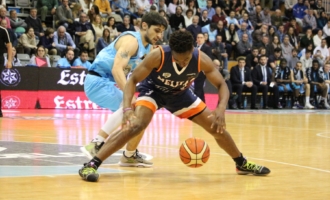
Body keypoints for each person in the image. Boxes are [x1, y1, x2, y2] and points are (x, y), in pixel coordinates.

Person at [78, 30, 270, 182]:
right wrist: (127, 109)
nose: (182, 62)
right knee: (136, 125)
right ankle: (92, 164)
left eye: (186, 59)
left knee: (216, 126)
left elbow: (221, 85)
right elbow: (133, 80)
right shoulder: (157, 55)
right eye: (178, 59)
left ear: (192, 51)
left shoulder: (200, 58)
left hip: (180, 94)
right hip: (153, 91)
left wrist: (220, 108)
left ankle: (241, 163)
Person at [80, 12, 168, 168]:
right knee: (132, 106)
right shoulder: (131, 41)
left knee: (142, 111)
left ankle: (129, 156)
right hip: (97, 80)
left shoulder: (147, 48)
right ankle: (96, 144)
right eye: (157, 30)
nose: (160, 35)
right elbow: (116, 70)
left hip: (108, 82)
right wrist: (130, 98)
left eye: (162, 32)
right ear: (145, 26)